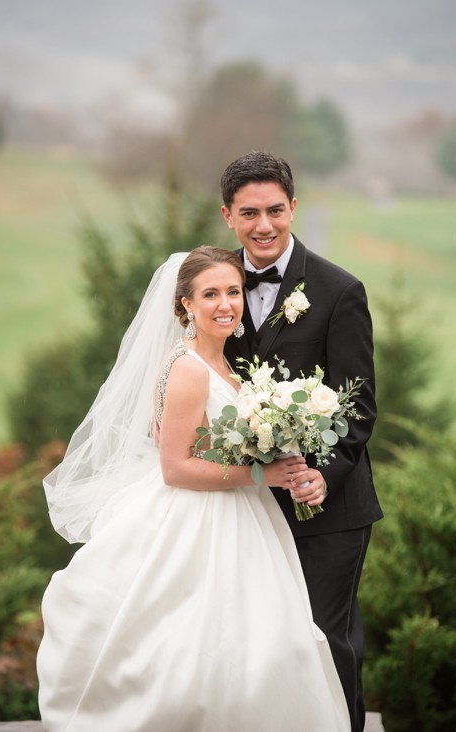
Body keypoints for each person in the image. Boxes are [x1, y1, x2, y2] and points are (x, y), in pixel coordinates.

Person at [37, 246, 350, 731]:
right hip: (195, 518)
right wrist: (262, 475)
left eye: (232, 291)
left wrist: (276, 445)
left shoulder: (226, 364)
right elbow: (176, 469)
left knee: (260, 642)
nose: (226, 304)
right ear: (185, 305)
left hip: (242, 514)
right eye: (210, 294)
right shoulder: (187, 367)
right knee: (198, 646)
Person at [219, 151, 381, 732]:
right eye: (249, 213)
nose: (263, 225)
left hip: (327, 507)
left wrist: (321, 473)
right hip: (246, 503)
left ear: (294, 208)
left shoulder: (340, 290)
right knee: (256, 644)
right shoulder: (217, 286)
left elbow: (358, 404)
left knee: (323, 638)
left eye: (275, 210)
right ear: (228, 216)